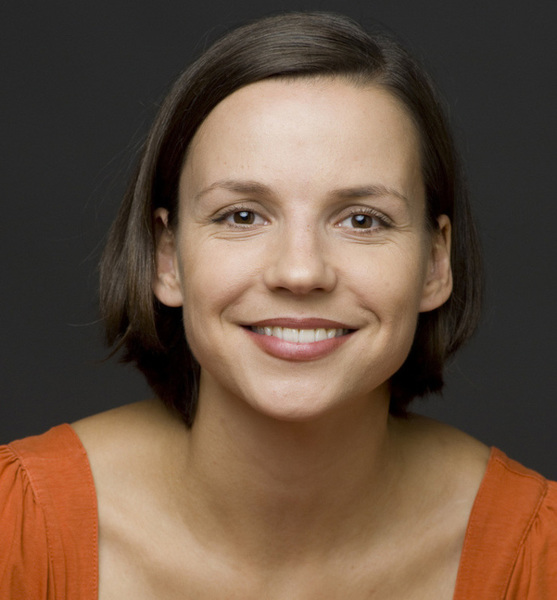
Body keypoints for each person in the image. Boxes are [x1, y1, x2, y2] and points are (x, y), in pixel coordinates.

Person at [1, 11, 555, 599]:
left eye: (362, 220)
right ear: (167, 258)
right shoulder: (16, 529)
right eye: (242, 215)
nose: (300, 272)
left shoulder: (539, 557)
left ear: (436, 263)